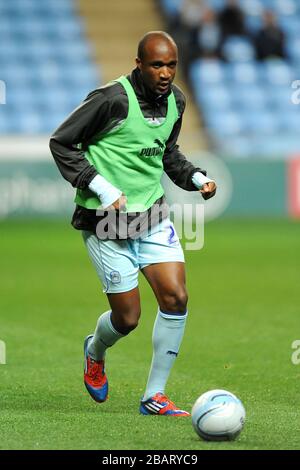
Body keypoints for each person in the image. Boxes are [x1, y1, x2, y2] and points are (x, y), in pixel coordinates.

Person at [49, 31, 216, 416]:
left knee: (176, 297)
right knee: (128, 319)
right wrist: (101, 186)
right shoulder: (110, 100)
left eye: (171, 65)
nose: (165, 73)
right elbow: (62, 142)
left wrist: (195, 178)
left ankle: (153, 396)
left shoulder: (177, 100)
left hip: (153, 216)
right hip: (105, 223)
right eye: (157, 64)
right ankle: (95, 350)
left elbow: (167, 154)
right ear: (139, 63)